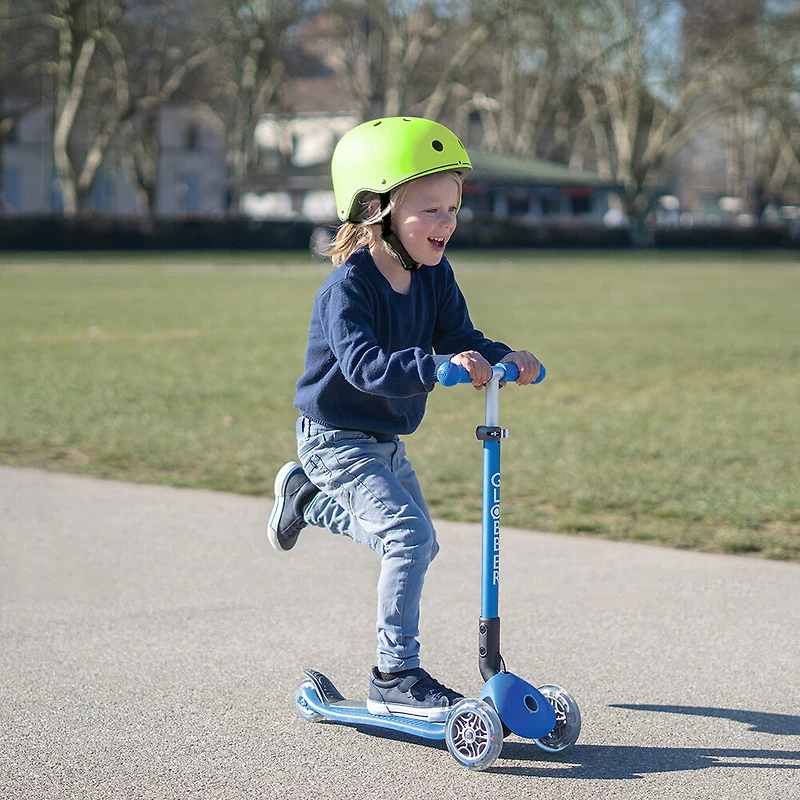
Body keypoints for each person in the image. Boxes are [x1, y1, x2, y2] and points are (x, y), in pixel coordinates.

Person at [268, 117, 541, 722]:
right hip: (335, 438)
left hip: (386, 438)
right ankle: (393, 675)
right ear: (376, 210)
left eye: (454, 208)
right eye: (430, 209)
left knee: (420, 542)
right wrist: (437, 367)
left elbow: (461, 337)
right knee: (409, 538)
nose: (447, 222)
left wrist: (505, 358)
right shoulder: (347, 288)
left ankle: (306, 501)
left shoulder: (435, 277)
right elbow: (365, 366)